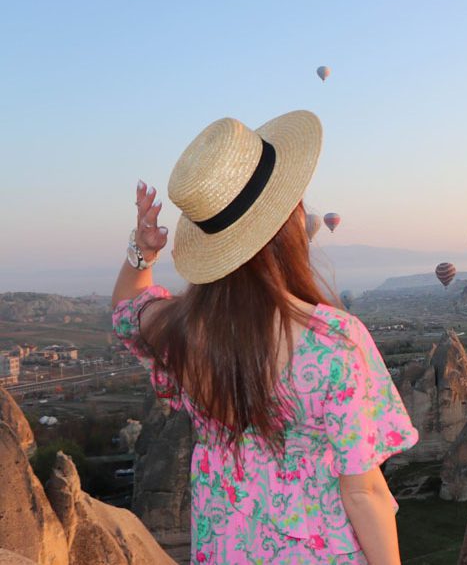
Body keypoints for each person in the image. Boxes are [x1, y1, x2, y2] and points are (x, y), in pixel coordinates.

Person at [111, 111, 418, 564]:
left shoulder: (180, 331)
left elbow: (127, 310)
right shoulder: (333, 342)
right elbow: (363, 492)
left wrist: (142, 254)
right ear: (289, 224)